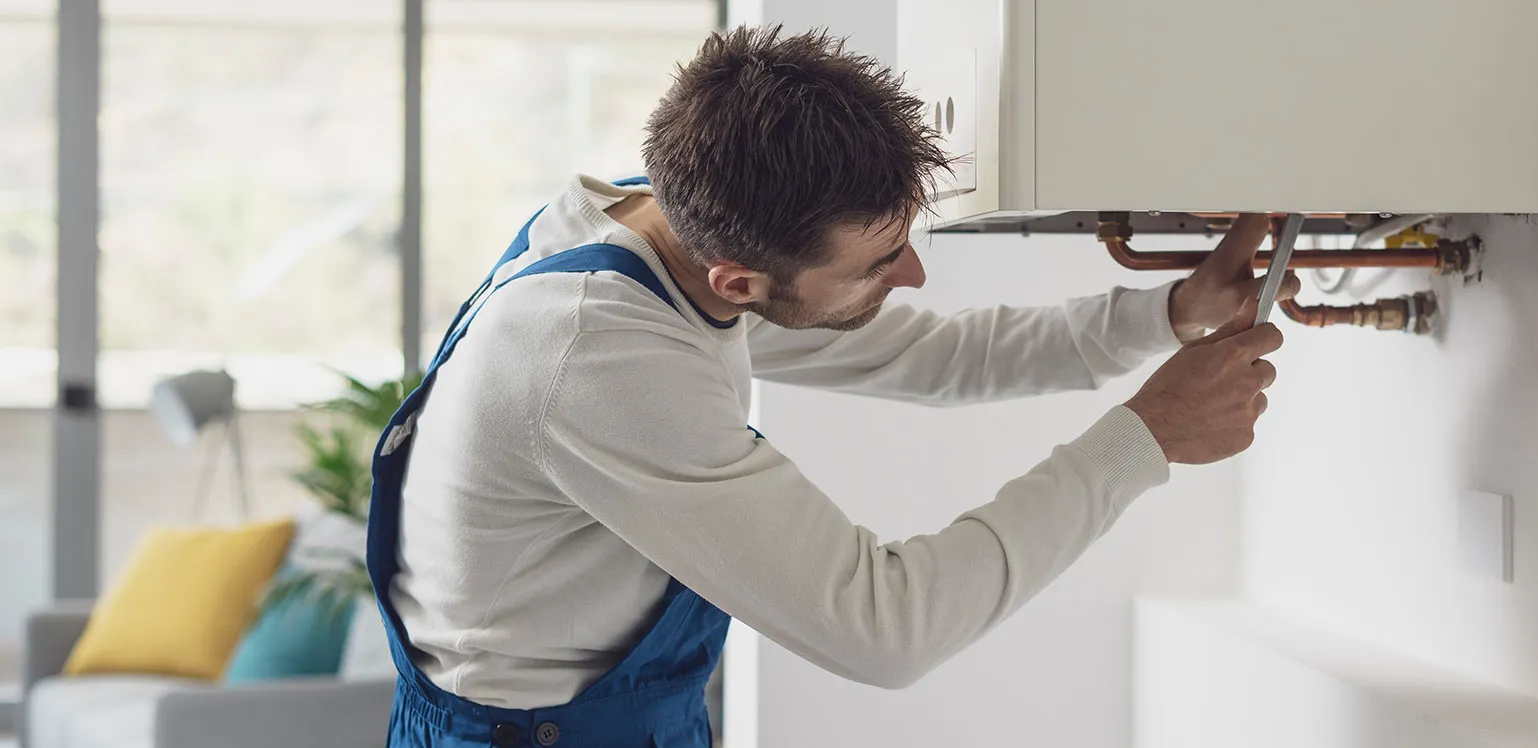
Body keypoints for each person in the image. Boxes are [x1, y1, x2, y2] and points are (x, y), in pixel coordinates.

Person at [365, 25, 1297, 748]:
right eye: (881, 262)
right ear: (739, 283)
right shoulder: (600, 357)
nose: (914, 279)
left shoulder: (656, 220)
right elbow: (886, 626)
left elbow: (932, 356)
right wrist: (1146, 436)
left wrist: (1172, 311)